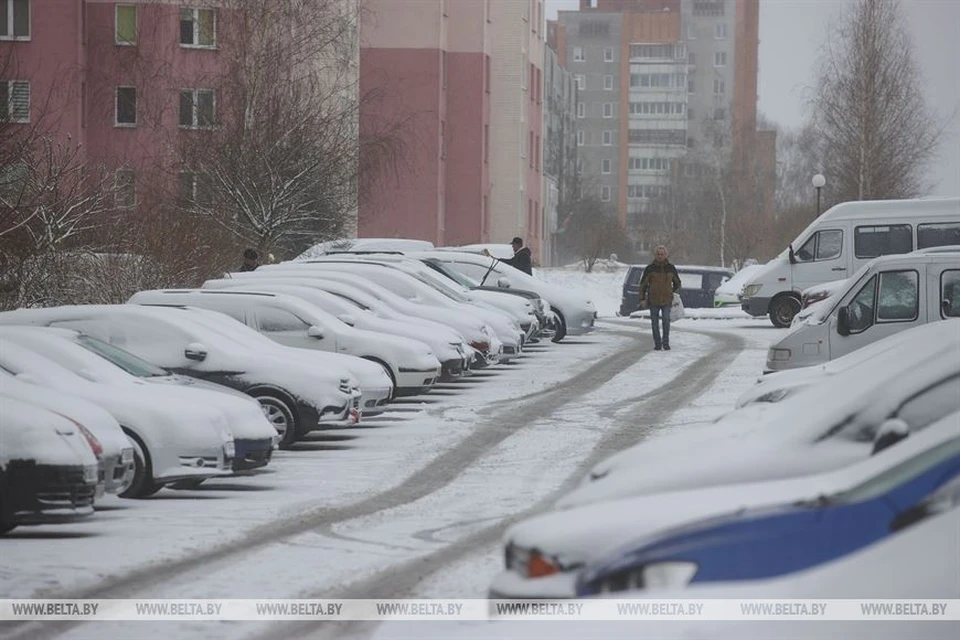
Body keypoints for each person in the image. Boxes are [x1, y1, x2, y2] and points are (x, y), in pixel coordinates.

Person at [638, 245, 682, 350]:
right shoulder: (650, 268)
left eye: (662, 254)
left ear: (666, 255)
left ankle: (665, 343)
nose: (660, 256)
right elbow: (643, 285)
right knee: (654, 323)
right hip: (653, 300)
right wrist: (642, 299)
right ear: (655, 255)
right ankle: (657, 344)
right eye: (658, 254)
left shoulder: (671, 268)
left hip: (667, 300)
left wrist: (672, 292)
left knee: (666, 321)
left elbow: (678, 283)